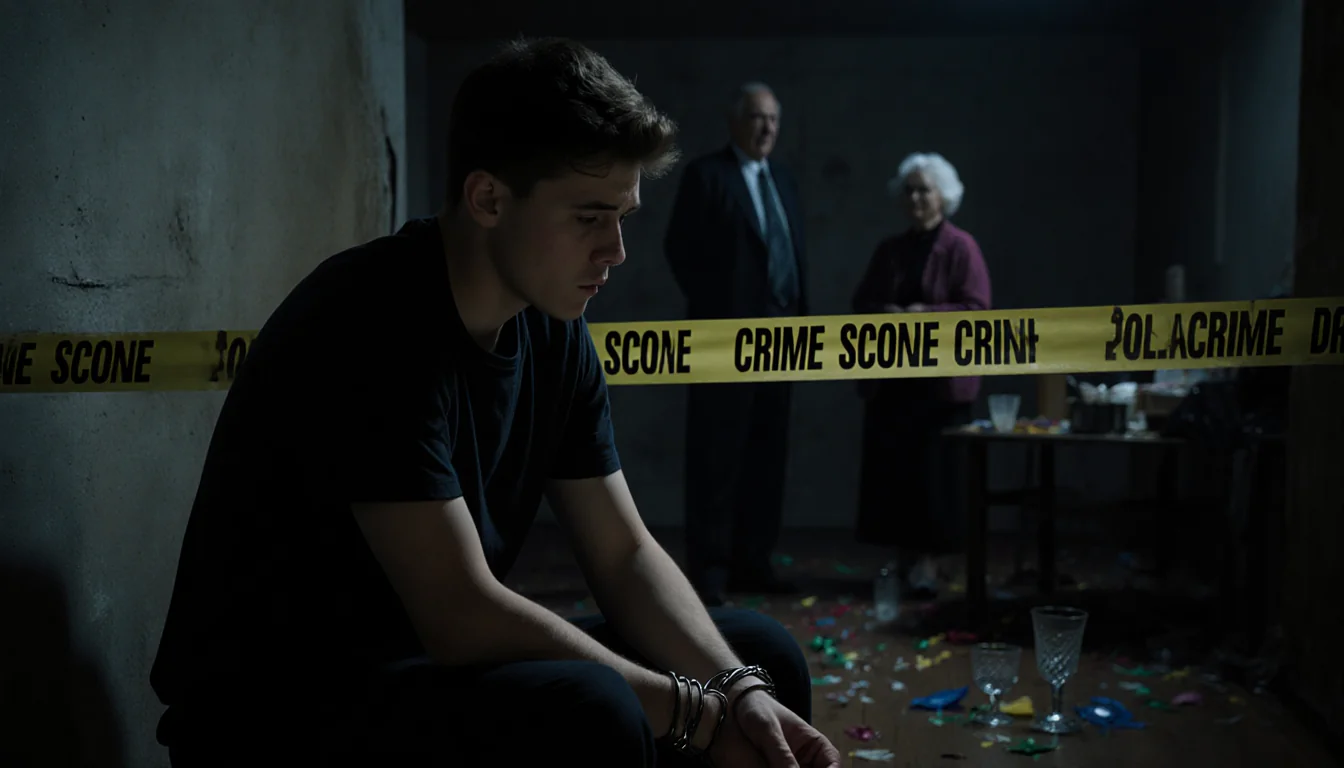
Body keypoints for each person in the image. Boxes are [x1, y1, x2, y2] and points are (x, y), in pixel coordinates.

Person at [150, 38, 839, 768]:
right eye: (588, 217)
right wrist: (694, 717)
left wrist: (732, 692)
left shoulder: (552, 324)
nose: (616, 249)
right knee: (597, 710)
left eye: (623, 217)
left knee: (761, 660)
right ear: (488, 198)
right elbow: (460, 613)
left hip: (422, 669)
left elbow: (625, 551)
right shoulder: (368, 319)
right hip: (279, 709)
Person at [664, 82, 807, 607]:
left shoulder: (784, 181)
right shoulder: (706, 176)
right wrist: (719, 313)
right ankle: (711, 572)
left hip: (785, 343)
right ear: (734, 122)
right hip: (723, 343)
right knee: (716, 458)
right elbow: (679, 249)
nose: (766, 127)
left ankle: (755, 563)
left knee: (767, 459)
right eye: (756, 117)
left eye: (773, 118)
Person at [851, 152, 991, 598]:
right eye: (909, 189)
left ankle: (931, 563)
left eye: (924, 189)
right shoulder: (889, 250)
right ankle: (905, 557)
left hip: (939, 389)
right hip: (894, 386)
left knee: (935, 477)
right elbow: (861, 304)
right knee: (897, 474)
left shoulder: (961, 246)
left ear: (943, 197)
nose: (915, 197)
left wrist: (923, 314)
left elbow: (978, 311)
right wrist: (885, 313)